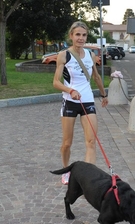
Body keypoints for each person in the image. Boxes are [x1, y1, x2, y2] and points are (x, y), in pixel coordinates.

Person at [53, 21, 109, 184]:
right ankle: (66, 171)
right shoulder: (64, 55)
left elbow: (96, 77)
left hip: (88, 102)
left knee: (91, 141)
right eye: (77, 34)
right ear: (71, 36)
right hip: (70, 102)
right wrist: (70, 90)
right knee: (67, 143)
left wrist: (104, 94)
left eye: (84, 35)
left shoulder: (90, 55)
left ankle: (88, 179)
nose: (81, 38)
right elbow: (56, 82)